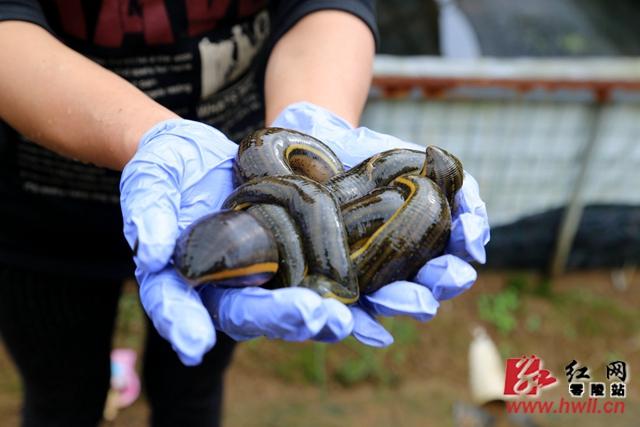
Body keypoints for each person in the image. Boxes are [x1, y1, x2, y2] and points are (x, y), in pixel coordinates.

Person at [0, 1, 490, 426]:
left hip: (220, 193)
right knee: (59, 399)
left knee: (192, 391)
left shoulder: (316, 193)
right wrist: (151, 135)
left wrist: (313, 113)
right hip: (39, 222)